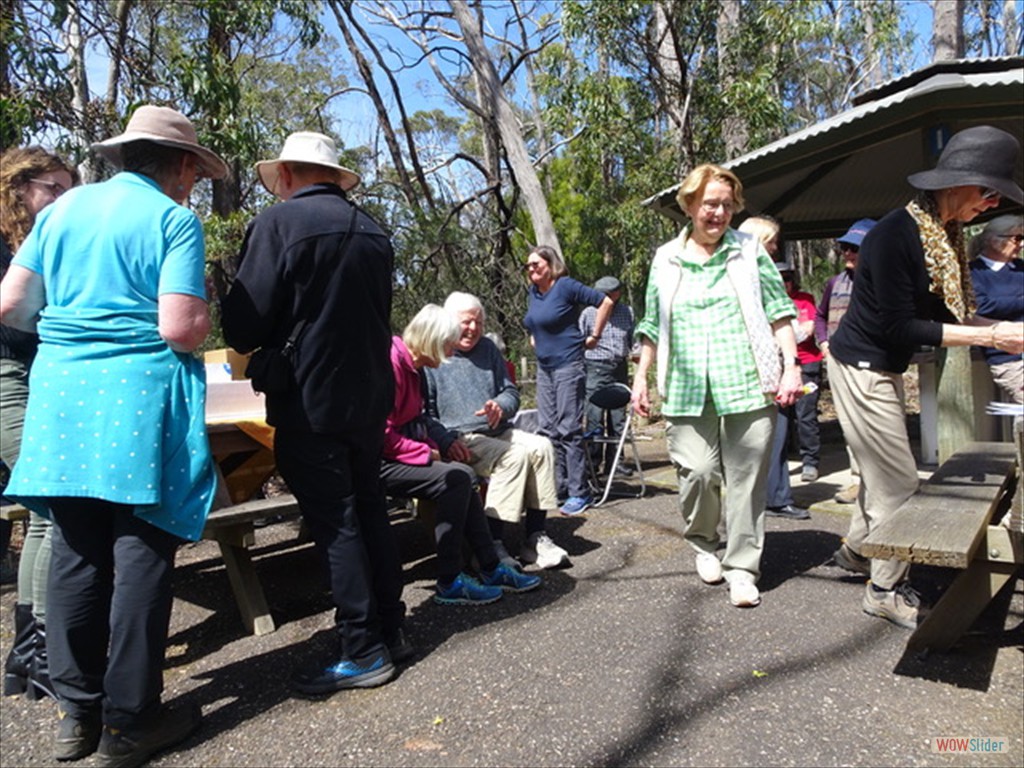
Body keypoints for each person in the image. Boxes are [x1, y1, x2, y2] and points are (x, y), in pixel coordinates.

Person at [0, 105, 224, 765]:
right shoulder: (173, 219)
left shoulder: (61, 211)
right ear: (181, 165)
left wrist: (72, 327)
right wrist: (203, 318)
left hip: (63, 397)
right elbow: (179, 328)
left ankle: (76, 715)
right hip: (138, 401)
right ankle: (131, 721)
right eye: (194, 171)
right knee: (141, 551)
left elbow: (11, 302)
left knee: (74, 548)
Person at [220, 131, 409, 695]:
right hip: (369, 397)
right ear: (333, 175)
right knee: (368, 508)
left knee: (337, 522)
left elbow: (244, 326)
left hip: (309, 400)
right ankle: (390, 629)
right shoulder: (374, 231)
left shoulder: (276, 226)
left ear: (286, 174)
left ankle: (362, 647)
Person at [826, 125, 1024, 630]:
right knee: (897, 483)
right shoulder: (895, 235)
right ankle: (883, 588)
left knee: (879, 472)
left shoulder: (945, 237)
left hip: (885, 365)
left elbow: (952, 313)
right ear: (956, 183)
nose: (992, 204)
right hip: (861, 366)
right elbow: (901, 325)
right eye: (989, 192)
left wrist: (1001, 328)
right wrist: (993, 337)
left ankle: (854, 551)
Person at [632, 164, 802, 609]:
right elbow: (651, 322)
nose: (719, 213)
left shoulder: (749, 250)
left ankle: (743, 568)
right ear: (689, 205)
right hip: (686, 385)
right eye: (710, 203)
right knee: (699, 472)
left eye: (727, 205)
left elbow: (778, 308)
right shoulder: (665, 258)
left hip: (746, 379)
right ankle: (704, 542)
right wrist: (641, 377)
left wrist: (791, 367)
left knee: (746, 481)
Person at [381, 304, 542, 603]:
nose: (452, 352)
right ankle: (450, 579)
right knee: (457, 477)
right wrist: (429, 454)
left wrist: (443, 442)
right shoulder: (391, 365)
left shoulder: (414, 366)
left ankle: (490, 567)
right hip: (378, 461)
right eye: (448, 344)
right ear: (431, 340)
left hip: (403, 452)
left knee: (462, 476)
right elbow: (381, 435)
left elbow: (420, 419)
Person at [0, 146, 77, 702]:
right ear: (18, 188)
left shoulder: (46, 240)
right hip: (6, 375)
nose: (61, 198)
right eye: (53, 187)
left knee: (43, 510)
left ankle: (28, 652)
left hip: (36, 369)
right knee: (56, 502)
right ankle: (47, 651)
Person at [423, 292, 570, 570]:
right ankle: (491, 546)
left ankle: (535, 538)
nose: (473, 328)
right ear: (448, 322)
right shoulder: (435, 354)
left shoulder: (488, 349)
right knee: (512, 456)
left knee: (542, 447)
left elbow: (510, 393)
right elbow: (424, 413)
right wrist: (444, 440)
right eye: (466, 322)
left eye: (478, 322)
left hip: (498, 430)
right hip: (460, 437)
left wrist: (501, 406)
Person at [522, 245, 614, 516]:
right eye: (528, 266)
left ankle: (579, 492)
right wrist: (535, 337)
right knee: (548, 430)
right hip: (545, 368)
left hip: (568, 366)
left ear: (550, 265)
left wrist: (594, 336)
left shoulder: (565, 286)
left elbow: (605, 301)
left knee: (568, 429)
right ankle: (559, 487)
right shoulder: (534, 293)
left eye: (536, 264)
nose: (532, 269)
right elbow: (534, 323)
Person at [736, 216, 809, 521]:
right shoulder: (748, 277)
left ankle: (774, 496)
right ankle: (775, 498)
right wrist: (798, 332)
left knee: (774, 436)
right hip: (758, 372)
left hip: (770, 367)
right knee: (773, 437)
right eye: (772, 242)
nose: (776, 248)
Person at [815, 218, 876, 504]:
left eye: (855, 248)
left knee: (876, 425)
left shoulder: (883, 281)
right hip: (839, 362)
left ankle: (881, 482)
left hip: (874, 364)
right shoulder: (833, 283)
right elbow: (819, 315)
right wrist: (824, 342)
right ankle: (858, 481)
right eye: (844, 247)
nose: (848, 254)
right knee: (850, 424)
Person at [579, 275, 636, 477]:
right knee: (595, 417)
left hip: (619, 367)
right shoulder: (588, 313)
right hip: (596, 367)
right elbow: (579, 341)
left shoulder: (626, 312)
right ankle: (593, 464)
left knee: (618, 418)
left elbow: (632, 339)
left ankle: (616, 463)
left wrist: (637, 353)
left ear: (617, 293)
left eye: (610, 294)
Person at [968, 214, 1023, 405]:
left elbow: (995, 303)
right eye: (1017, 238)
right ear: (994, 241)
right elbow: (981, 306)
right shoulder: (972, 272)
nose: (1021, 244)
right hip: (1009, 358)